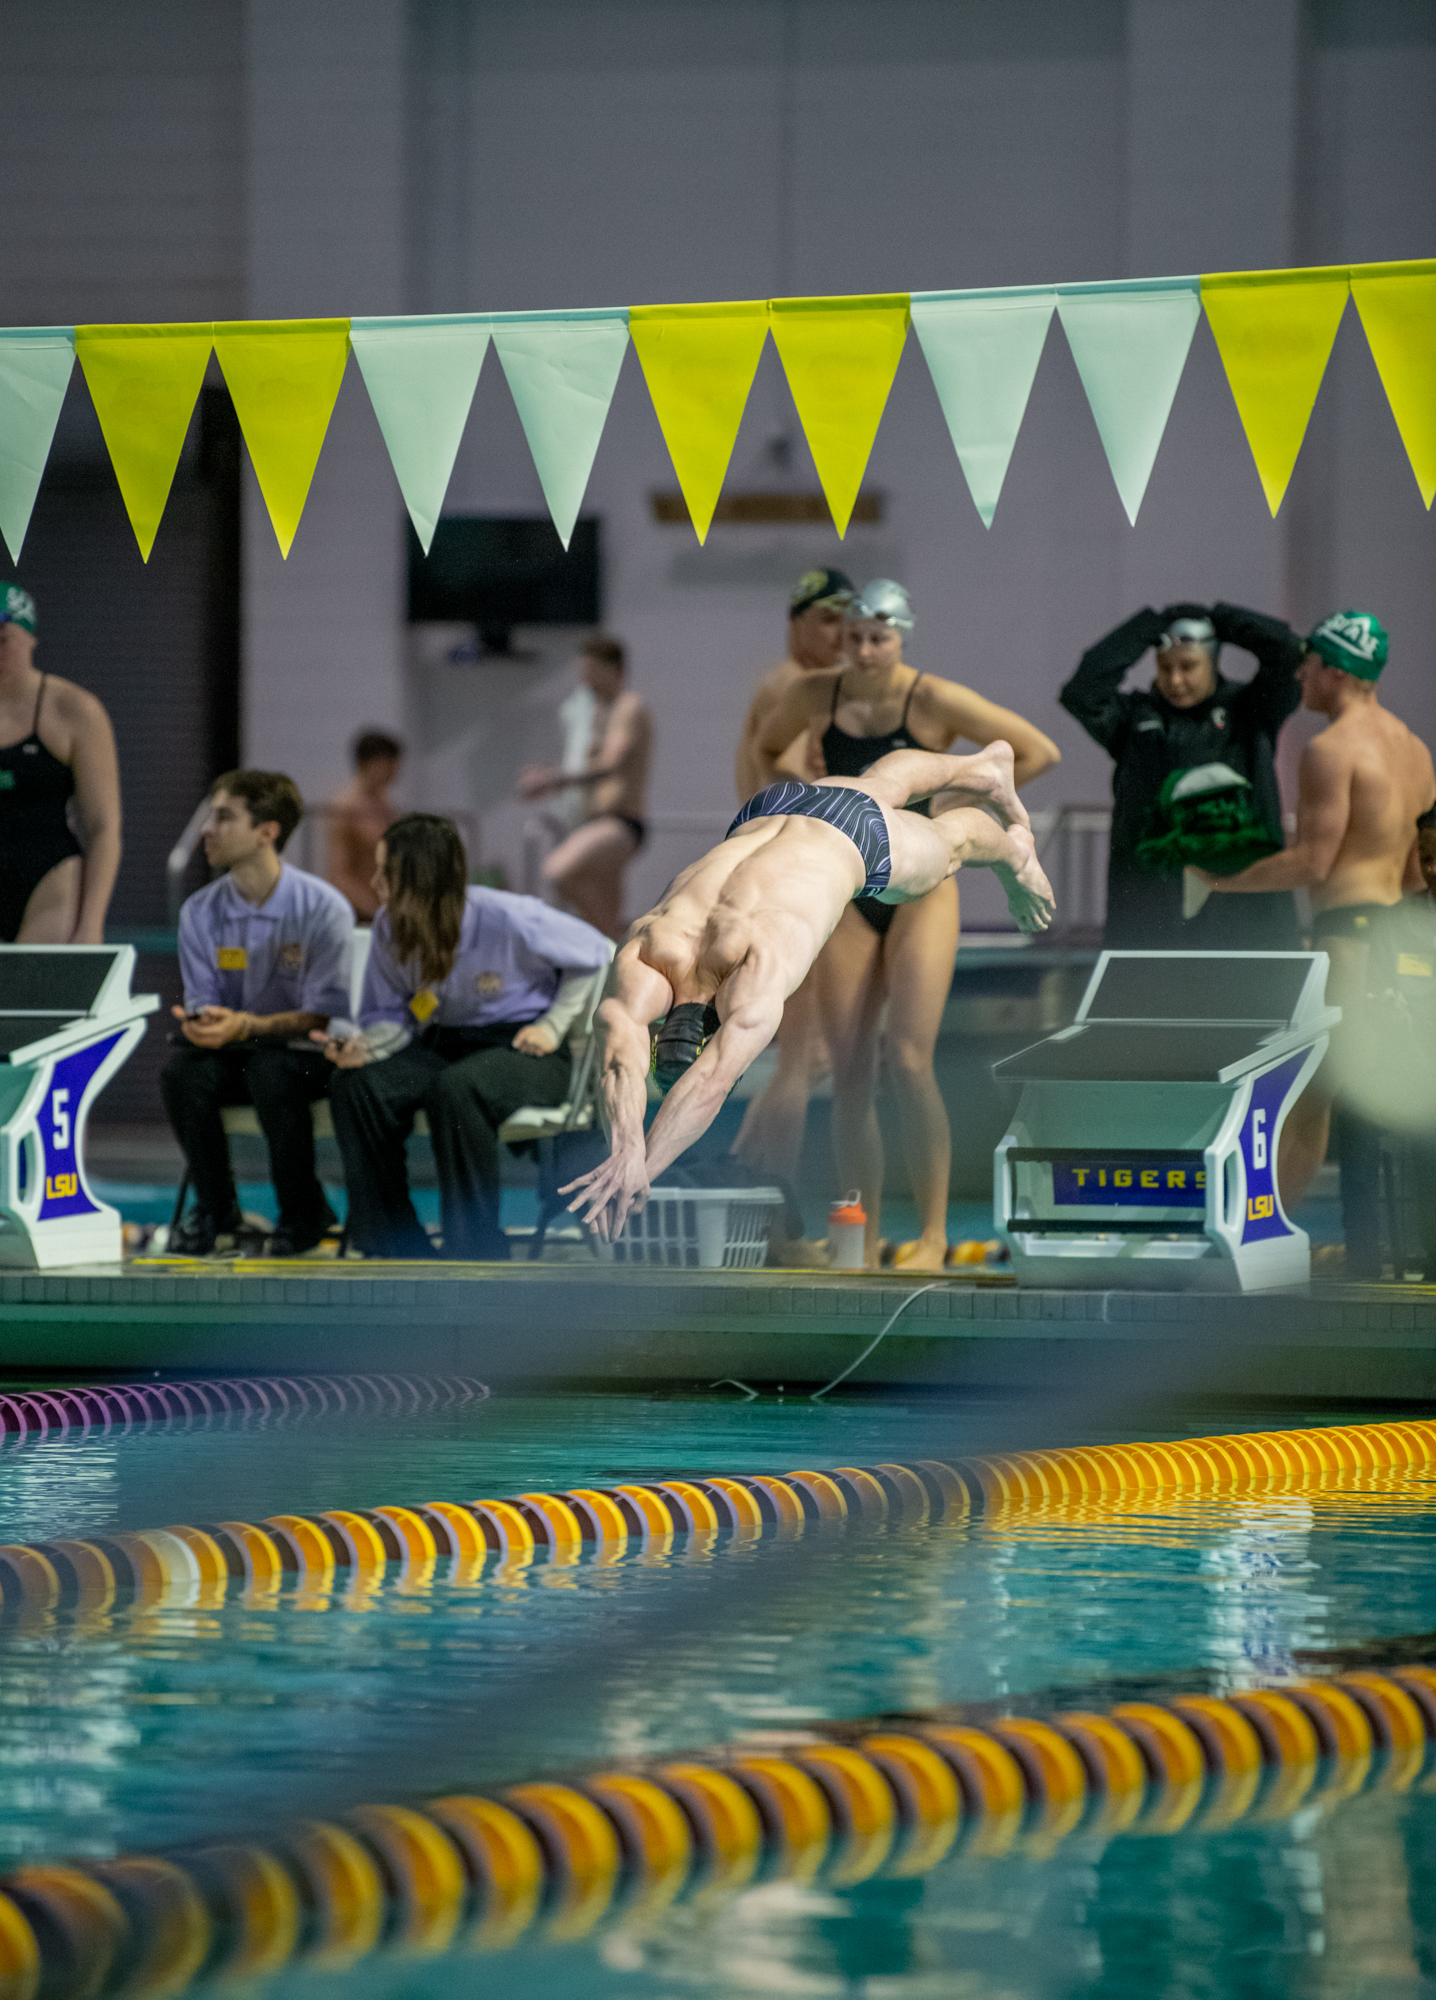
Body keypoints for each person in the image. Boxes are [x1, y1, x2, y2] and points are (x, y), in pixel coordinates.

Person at [562, 742, 1055, 1244]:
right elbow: (621, 1061)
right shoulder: (648, 946)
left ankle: (1013, 853)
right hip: (774, 809)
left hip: (854, 842)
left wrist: (641, 1164)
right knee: (880, 785)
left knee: (949, 851)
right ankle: (981, 768)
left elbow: (706, 1083)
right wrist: (626, 1153)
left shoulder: (754, 976)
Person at [750, 581, 1061, 1267]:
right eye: (855, 636)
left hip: (921, 888)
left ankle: (932, 1234)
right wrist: (803, 796)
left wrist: (950, 801)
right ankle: (855, 1233)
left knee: (911, 1062)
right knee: (853, 1073)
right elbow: (766, 747)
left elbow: (1037, 751)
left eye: (879, 638)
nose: (864, 650)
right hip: (852, 888)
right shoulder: (814, 696)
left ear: (902, 637)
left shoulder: (932, 698)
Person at [1196, 611, 1436, 1275]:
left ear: (1335, 670)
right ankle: (1384, 1243)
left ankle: (1269, 1240)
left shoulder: (1331, 749)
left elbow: (1313, 862)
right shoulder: (1414, 749)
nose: (1299, 674)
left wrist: (1219, 882)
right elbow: (1421, 871)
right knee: (1393, 1095)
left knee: (1310, 1094)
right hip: (1405, 936)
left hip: (1350, 937)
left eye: (1309, 663)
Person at [321, 814, 612, 1261]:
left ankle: (475, 1249)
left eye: (387, 873)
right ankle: (394, 1241)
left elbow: (597, 953)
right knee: (356, 1085)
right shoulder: (388, 927)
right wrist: (365, 1048)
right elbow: (387, 1014)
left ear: (422, 880)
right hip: (442, 1043)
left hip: (524, 1049)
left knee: (457, 1089)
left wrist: (553, 1026)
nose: (375, 882)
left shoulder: (509, 916)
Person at [162, 771, 353, 1258]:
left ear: (267, 831)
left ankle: (302, 1213)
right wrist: (201, 1024)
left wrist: (247, 1025)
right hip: (237, 1053)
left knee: (273, 1071)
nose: (208, 828)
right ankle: (217, 1213)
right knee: (182, 1074)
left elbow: (325, 1016)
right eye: (211, 815)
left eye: (224, 817)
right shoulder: (200, 912)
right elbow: (206, 1002)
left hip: (309, 1058)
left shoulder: (322, 908)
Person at [1060, 601, 1305, 949]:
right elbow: (1082, 692)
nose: (1175, 680)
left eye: (1188, 666)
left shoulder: (1251, 709)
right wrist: (1149, 626)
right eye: (1165, 667)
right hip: (1150, 911)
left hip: (1242, 912)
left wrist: (1221, 619)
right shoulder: (1134, 718)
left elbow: (1288, 652)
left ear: (1214, 660)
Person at [729, 569, 854, 1233]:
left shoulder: (775, 684)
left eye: (848, 620)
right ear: (797, 621)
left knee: (800, 1061)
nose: (844, 635)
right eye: (829, 619)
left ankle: (750, 1190)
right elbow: (801, 788)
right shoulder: (795, 688)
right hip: (788, 881)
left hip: (770, 875)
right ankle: (767, 1210)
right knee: (798, 1063)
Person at [0, 584, 121, 943]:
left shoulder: (74, 710)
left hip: (48, 883)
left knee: (35, 996)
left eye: (3, 639)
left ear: (30, 638)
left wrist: (91, 926)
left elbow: (104, 827)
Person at [518, 636, 653, 937]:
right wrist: (549, 774)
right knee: (601, 910)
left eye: (592, 671)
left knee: (557, 873)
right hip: (596, 821)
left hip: (620, 823)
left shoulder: (629, 708)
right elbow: (586, 767)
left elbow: (610, 764)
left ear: (613, 669)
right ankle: (610, 950)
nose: (585, 680)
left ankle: (616, 942)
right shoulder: (598, 712)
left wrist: (556, 779)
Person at [325, 729, 403, 920]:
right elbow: (339, 873)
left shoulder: (386, 806)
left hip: (382, 908)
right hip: (356, 910)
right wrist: (372, 909)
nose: (395, 770)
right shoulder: (345, 807)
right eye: (388, 763)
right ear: (366, 764)